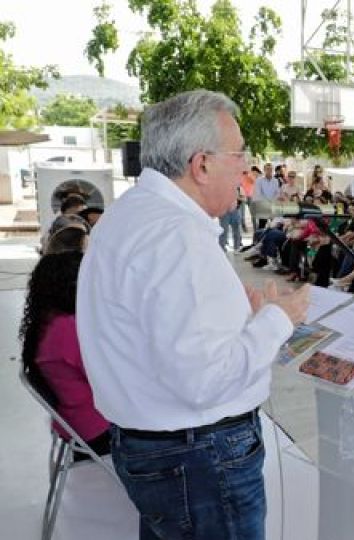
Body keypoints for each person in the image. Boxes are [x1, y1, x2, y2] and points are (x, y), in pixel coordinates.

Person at [76, 90, 310, 540]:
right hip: (199, 455)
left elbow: (162, 324)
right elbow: (205, 381)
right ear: (201, 164)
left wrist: (237, 312)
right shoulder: (176, 235)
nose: (247, 167)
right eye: (239, 153)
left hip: (159, 448)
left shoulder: (133, 212)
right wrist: (280, 318)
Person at [20, 252, 111, 456]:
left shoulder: (48, 319)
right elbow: (107, 378)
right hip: (96, 428)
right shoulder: (67, 329)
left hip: (76, 422)